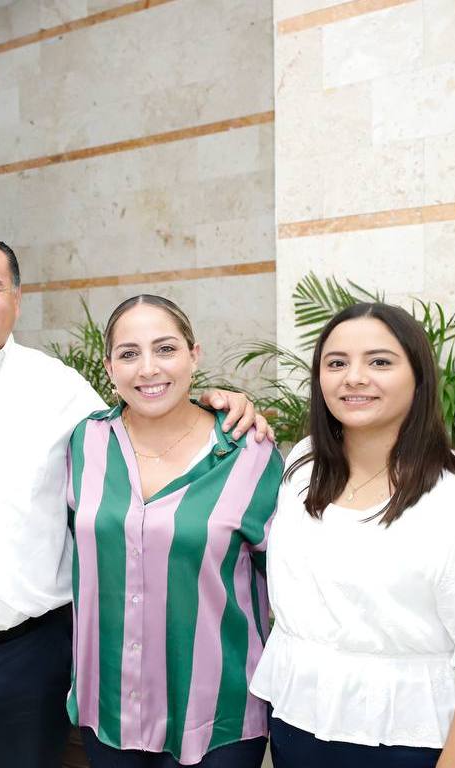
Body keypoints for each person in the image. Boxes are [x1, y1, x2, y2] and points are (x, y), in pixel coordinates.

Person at [0, 232, 269, 768]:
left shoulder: (63, 392)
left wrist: (219, 404)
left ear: (17, 299)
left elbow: (144, 417)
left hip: (26, 662)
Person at [249, 302, 455, 768]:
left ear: (419, 376)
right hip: (299, 732)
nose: (354, 378)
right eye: (336, 363)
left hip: (421, 745)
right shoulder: (302, 467)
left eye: (380, 361)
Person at [67, 295, 283, 768]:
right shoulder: (85, 442)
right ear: (109, 368)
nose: (148, 368)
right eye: (129, 353)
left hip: (218, 715)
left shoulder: (249, 452)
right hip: (109, 709)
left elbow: (287, 581)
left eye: (165, 349)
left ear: (193, 355)